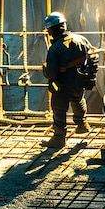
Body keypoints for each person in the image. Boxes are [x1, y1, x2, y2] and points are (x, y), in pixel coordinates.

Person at [41, 11, 94, 148]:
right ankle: (82, 125)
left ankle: (59, 138)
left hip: (62, 85)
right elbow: (91, 55)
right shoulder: (81, 39)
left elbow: (52, 73)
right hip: (79, 80)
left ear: (52, 29)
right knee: (78, 99)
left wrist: (45, 69)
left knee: (59, 108)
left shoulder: (55, 49)